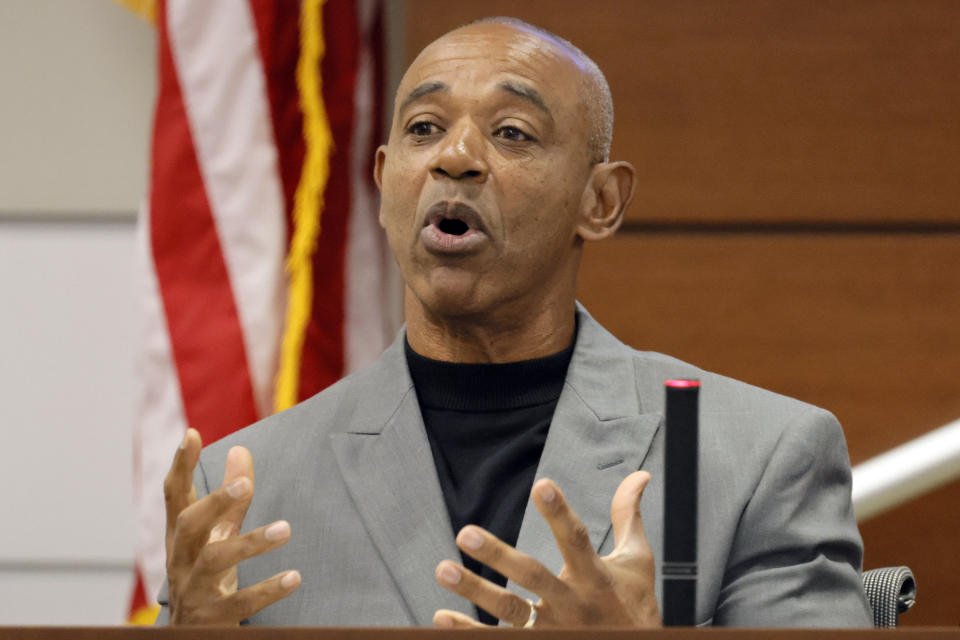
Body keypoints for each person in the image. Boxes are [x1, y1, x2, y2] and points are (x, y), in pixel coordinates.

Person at [157, 17, 872, 628]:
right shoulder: (245, 487)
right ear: (382, 185)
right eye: (424, 128)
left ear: (601, 201)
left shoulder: (761, 458)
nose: (455, 158)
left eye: (511, 132)